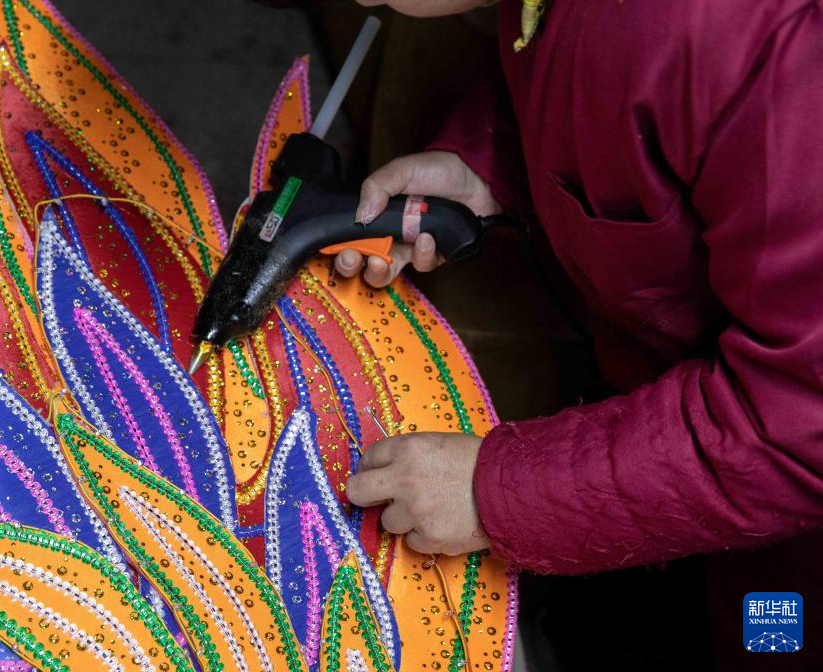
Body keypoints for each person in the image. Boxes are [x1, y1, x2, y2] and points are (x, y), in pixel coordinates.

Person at [341, 0, 823, 669]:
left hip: (795, 537)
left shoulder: (777, 56)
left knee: (770, 637)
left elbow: (796, 422)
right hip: (693, 464)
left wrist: (497, 492)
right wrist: (489, 162)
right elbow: (586, 83)